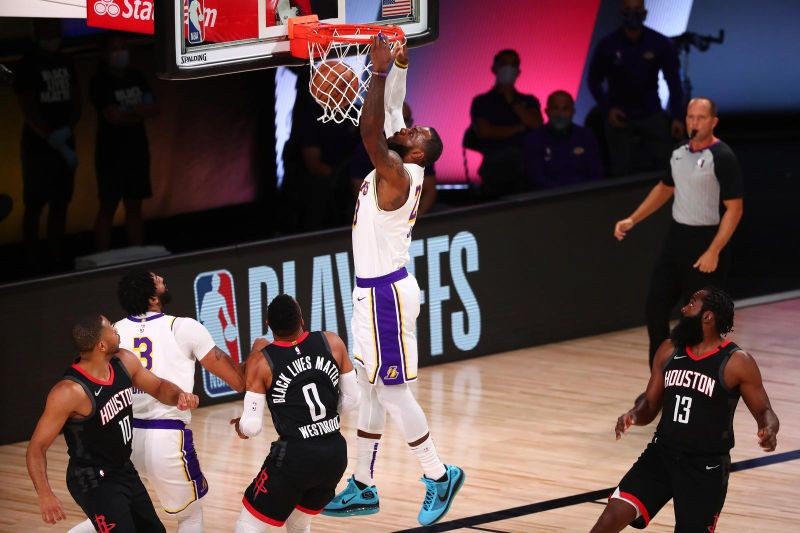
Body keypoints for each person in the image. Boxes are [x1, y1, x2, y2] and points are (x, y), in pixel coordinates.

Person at [323, 37, 464, 527]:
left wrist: (378, 74)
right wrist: (400, 64)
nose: (410, 126)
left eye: (417, 130)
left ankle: (438, 474)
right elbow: (392, 116)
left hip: (385, 294)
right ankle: (362, 483)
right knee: (366, 388)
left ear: (420, 150)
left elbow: (371, 133)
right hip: (371, 290)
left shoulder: (400, 173)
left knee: (394, 392)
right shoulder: (402, 161)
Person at [69, 269, 246, 533]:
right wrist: (258, 361)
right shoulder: (184, 327)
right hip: (167, 435)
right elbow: (237, 381)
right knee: (190, 514)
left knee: (115, 511)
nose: (163, 279)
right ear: (152, 299)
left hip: (125, 436)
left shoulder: (113, 333)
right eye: (158, 281)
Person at [590, 287, 779, 532]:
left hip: (704, 468)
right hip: (661, 455)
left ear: (708, 316)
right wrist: (633, 415)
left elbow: (765, 410)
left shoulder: (737, 362)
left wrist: (769, 429)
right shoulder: (669, 350)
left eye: (691, 303)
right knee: (608, 520)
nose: (683, 308)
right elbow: (649, 404)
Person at [26, 313, 200, 532]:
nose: (116, 330)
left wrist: (179, 396)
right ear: (101, 345)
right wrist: (45, 494)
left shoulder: (124, 361)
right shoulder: (69, 392)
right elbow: (36, 448)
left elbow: (158, 387)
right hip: (92, 480)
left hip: (123, 469)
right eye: (110, 328)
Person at [614, 97, 743, 368]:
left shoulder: (722, 157)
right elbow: (664, 188)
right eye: (690, 117)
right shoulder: (678, 152)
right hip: (677, 239)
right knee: (655, 307)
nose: (694, 123)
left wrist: (714, 250)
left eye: (701, 118)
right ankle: (659, 379)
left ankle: (691, 377)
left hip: (706, 240)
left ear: (713, 122)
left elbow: (734, 209)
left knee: (698, 319)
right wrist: (633, 219)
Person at [230, 294, 360, 532]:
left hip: (294, 458)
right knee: (299, 523)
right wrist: (323, 420)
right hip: (334, 454)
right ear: (301, 317)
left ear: (268, 325)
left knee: (249, 523)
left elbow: (251, 427)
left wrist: (240, 426)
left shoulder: (262, 361)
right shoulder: (332, 341)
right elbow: (352, 400)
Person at [13, 19, 81, 271]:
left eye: (56, 30)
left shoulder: (66, 61)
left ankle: (56, 257)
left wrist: (67, 133)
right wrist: (49, 137)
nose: (52, 34)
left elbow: (76, 101)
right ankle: (30, 260)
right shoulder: (27, 64)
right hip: (37, 146)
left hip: (65, 138)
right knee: (34, 204)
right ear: (36, 32)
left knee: (60, 202)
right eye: (47, 30)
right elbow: (27, 107)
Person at [588, 0, 684, 176]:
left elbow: (674, 81)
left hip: (651, 112)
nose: (633, 14)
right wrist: (608, 109)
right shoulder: (608, 44)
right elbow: (593, 81)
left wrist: (677, 116)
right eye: (628, 10)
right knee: (620, 170)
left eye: (637, 10)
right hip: (619, 114)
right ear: (621, 12)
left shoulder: (660, 42)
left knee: (664, 168)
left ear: (645, 13)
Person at [90, 33, 159, 251]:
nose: (120, 53)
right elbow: (113, 117)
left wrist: (128, 112)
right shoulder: (100, 81)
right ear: (105, 54)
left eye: (123, 47)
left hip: (137, 151)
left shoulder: (137, 76)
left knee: (135, 206)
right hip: (111, 154)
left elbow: (154, 108)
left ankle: (138, 255)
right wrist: (137, 111)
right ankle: (101, 259)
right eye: (114, 49)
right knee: (108, 206)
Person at [468, 49, 542, 199]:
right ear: (494, 68)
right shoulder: (482, 101)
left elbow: (536, 125)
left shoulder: (529, 100)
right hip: (496, 162)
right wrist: (521, 127)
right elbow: (485, 132)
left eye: (513, 65)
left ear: (518, 71)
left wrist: (513, 101)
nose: (509, 69)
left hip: (527, 163)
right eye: (504, 64)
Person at [351, 102, 438, 216]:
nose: (403, 128)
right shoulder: (366, 150)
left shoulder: (419, 150)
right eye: (397, 120)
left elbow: (430, 190)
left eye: (405, 120)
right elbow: (361, 194)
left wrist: (416, 216)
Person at [522, 90, 603, 190]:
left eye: (565, 109)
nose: (560, 114)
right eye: (555, 108)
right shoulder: (533, 140)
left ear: (573, 112)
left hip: (584, 196)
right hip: (548, 199)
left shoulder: (586, 136)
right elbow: (535, 177)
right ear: (547, 111)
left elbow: (596, 172)